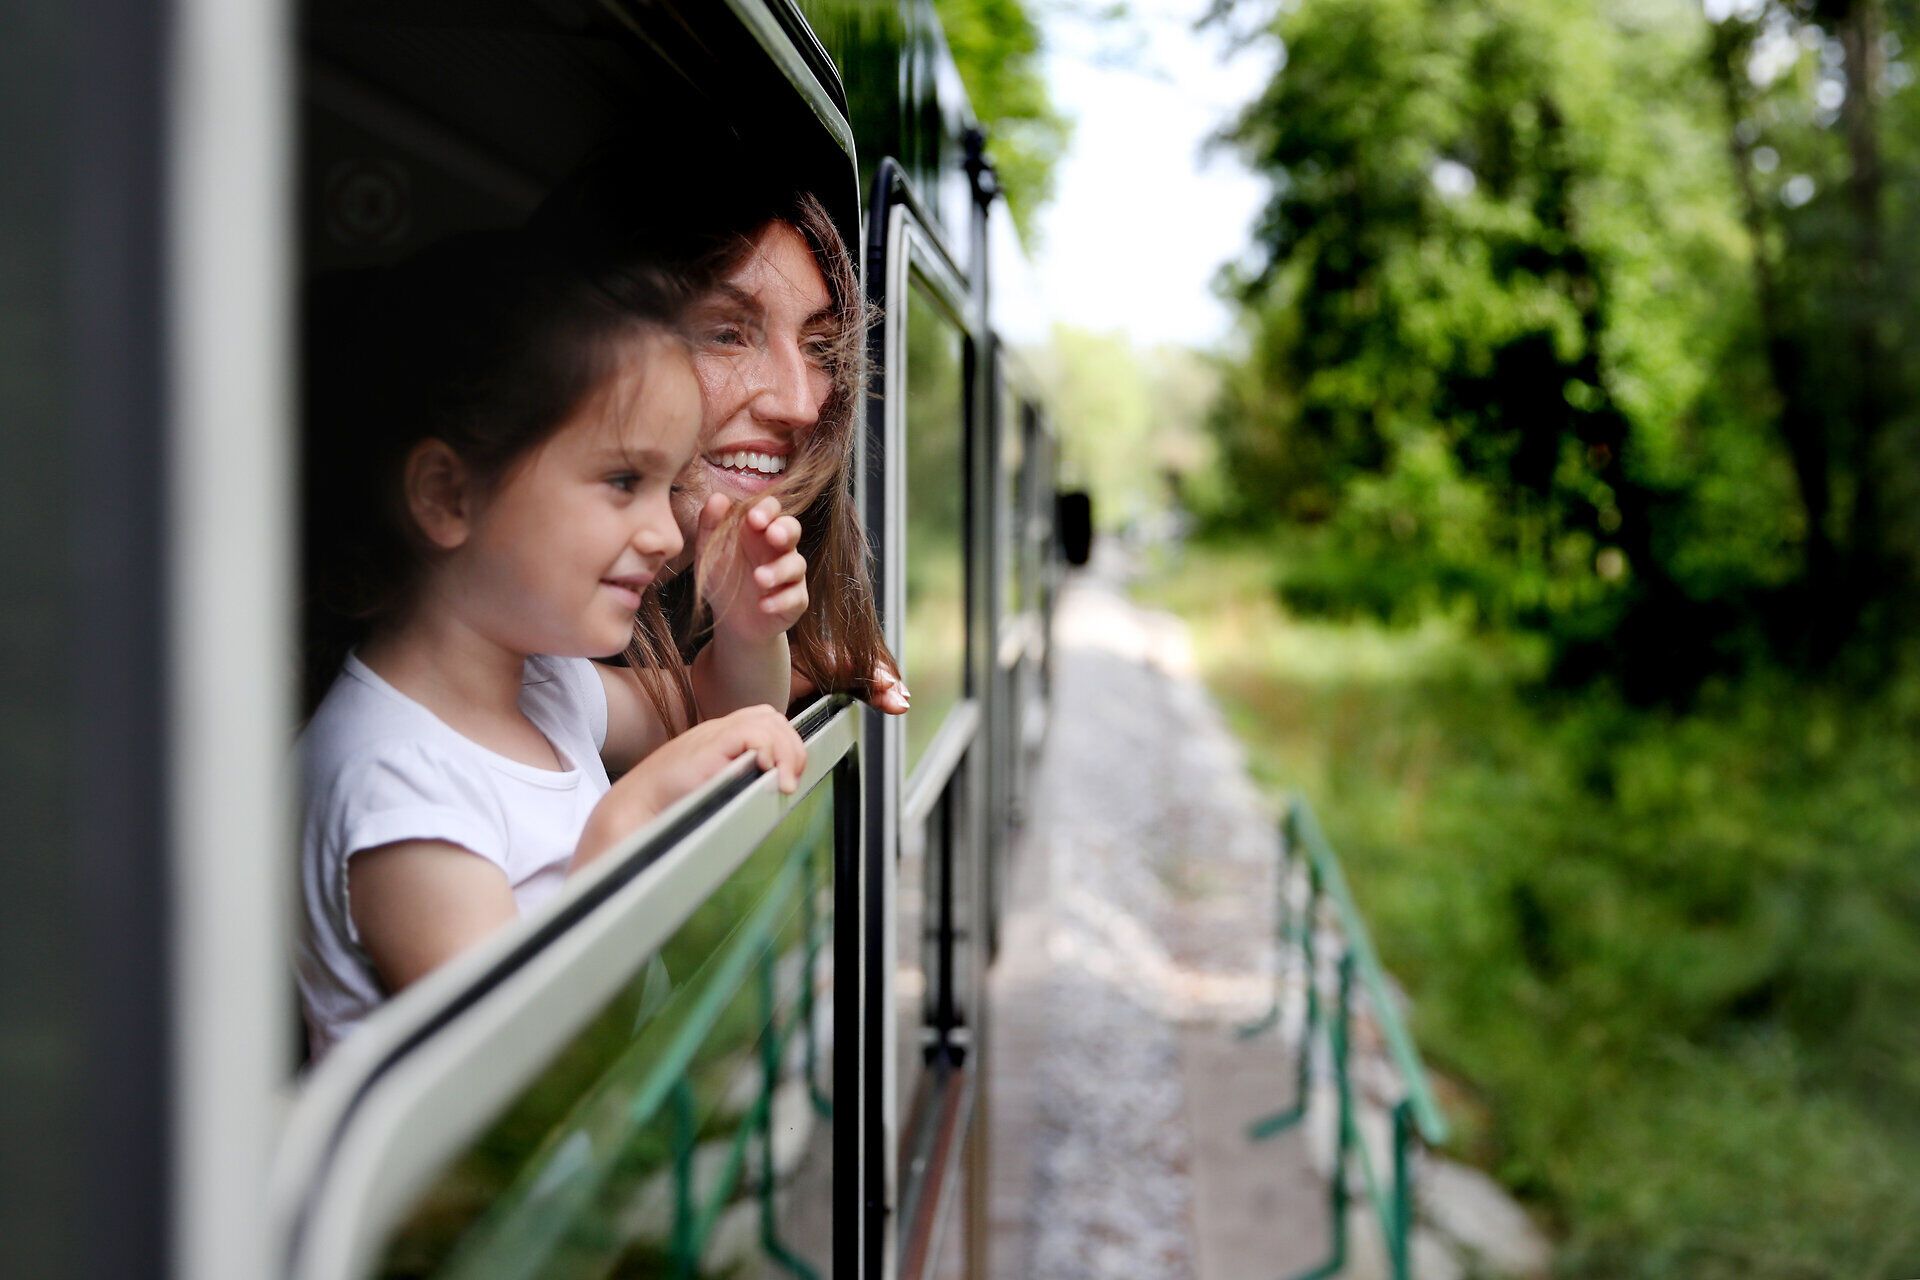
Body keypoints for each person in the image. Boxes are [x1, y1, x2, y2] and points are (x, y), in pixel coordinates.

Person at [296, 233, 807, 1058]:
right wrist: (626, 824)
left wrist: (749, 628)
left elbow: (719, 715)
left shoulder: (541, 684)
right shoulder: (394, 789)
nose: (663, 534)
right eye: (621, 482)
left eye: (670, 486)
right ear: (448, 495)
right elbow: (527, 1082)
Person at [534, 157, 908, 715]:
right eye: (726, 334)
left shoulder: (563, 694)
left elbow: (705, 706)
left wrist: (761, 646)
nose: (800, 406)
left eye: (821, 350)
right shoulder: (514, 678)